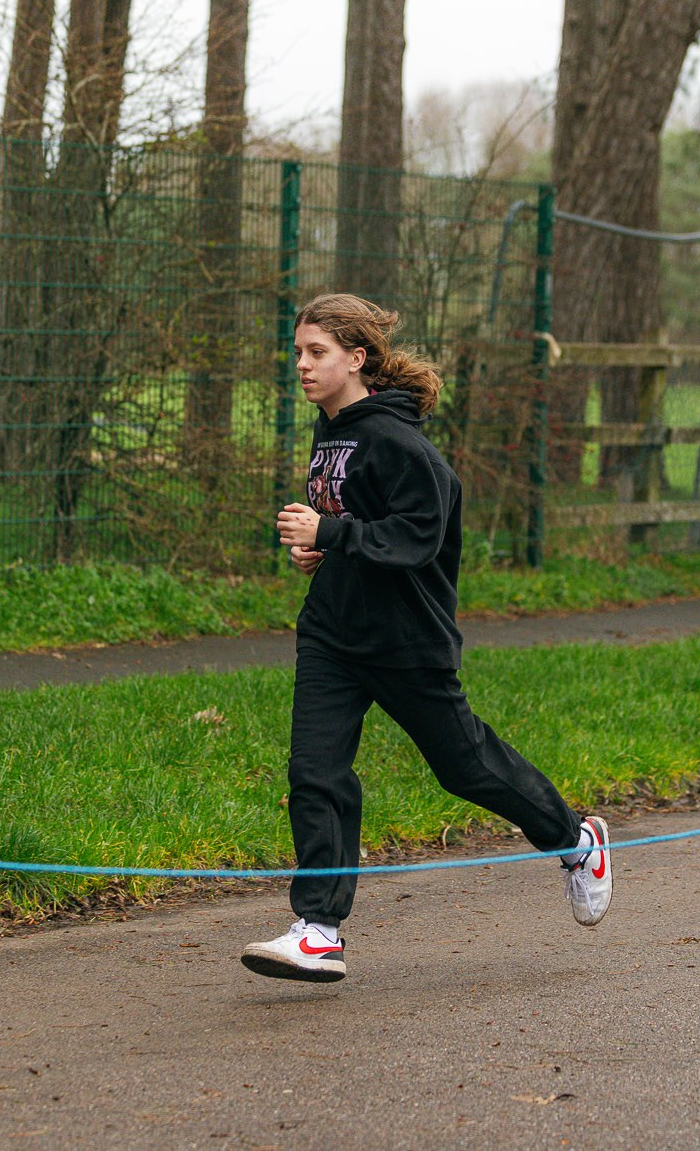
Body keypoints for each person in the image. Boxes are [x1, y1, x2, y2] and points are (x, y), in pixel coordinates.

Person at [240, 293, 612, 984]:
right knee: (314, 772)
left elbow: (416, 535)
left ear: (357, 358)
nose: (301, 365)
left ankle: (575, 839)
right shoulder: (333, 428)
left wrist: (334, 533)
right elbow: (355, 520)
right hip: (332, 635)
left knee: (464, 766)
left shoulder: (399, 440)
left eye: (316, 352)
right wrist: (320, 551)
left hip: (407, 641)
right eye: (297, 352)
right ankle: (318, 928)